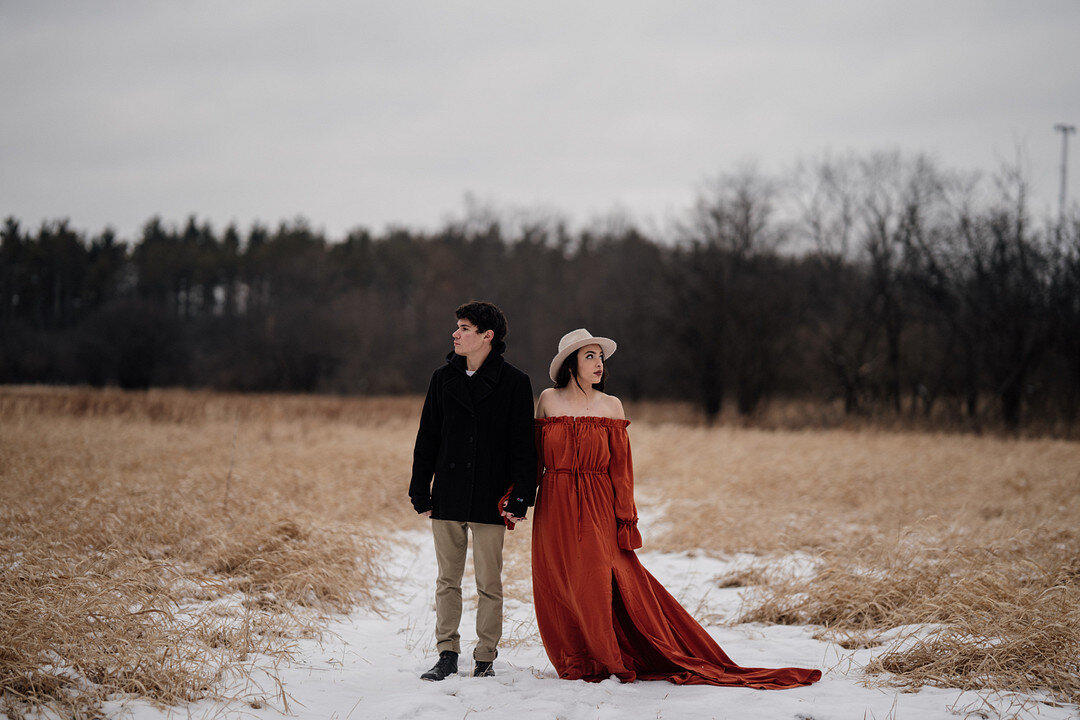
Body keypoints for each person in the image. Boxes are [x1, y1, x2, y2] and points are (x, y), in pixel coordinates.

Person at [530, 328, 822, 688]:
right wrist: (515, 497)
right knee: (559, 579)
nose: (599, 364)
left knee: (597, 579)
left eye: (601, 357)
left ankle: (608, 655)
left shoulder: (611, 406)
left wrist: (626, 518)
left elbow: (621, 470)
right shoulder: (547, 400)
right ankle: (574, 658)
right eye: (590, 356)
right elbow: (533, 460)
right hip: (554, 502)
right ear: (570, 363)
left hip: (598, 502)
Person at [409, 301, 537, 681]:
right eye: (457, 327)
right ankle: (447, 653)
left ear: (487, 336)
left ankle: (485, 658)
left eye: (464, 328)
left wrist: (520, 497)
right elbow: (428, 436)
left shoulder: (514, 382)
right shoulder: (442, 378)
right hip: (447, 493)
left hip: (490, 498)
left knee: (489, 583)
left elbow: (523, 447)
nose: (455, 334)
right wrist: (420, 489)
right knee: (447, 581)